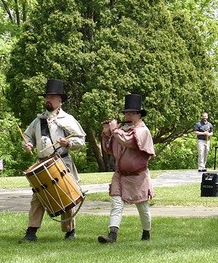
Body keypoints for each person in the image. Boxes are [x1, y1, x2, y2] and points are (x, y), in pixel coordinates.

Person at [19, 79, 86, 242]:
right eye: (46, 97)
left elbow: (81, 140)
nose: (48, 100)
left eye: (52, 97)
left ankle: (70, 231)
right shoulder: (38, 120)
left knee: (67, 196)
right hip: (42, 164)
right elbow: (28, 136)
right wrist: (27, 144)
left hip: (61, 162)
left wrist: (68, 143)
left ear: (59, 100)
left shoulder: (68, 119)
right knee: (37, 198)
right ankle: (31, 231)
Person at [99, 93, 155, 243]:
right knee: (116, 203)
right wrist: (106, 133)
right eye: (126, 113)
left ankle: (146, 233)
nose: (128, 116)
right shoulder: (122, 129)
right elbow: (109, 149)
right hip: (120, 175)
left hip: (138, 177)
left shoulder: (143, 131)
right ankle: (112, 235)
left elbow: (127, 141)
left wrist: (114, 130)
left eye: (132, 113)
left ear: (139, 115)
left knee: (142, 208)